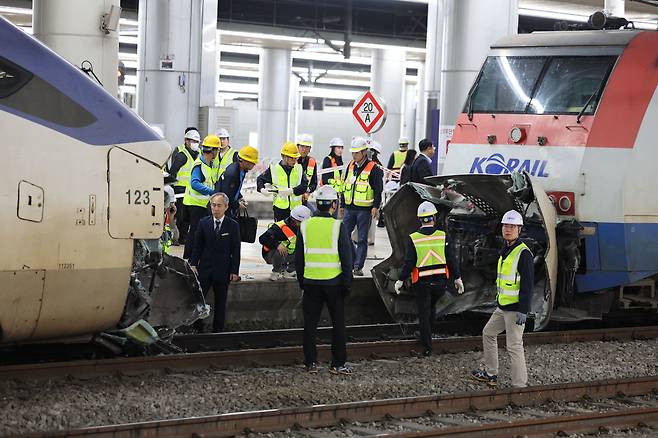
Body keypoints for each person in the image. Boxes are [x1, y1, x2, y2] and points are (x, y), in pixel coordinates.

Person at [295, 185, 354, 374]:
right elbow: (346, 258)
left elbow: (299, 259)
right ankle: (337, 364)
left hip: (311, 282)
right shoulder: (338, 226)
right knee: (338, 325)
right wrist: (347, 283)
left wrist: (302, 281)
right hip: (334, 284)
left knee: (310, 324)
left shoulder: (305, 225)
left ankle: (310, 363)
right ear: (334, 205)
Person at [471, 210, 533, 388]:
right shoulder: (505, 249)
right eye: (506, 225)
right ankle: (491, 374)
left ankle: (519, 385)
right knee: (488, 333)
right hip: (503, 306)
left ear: (519, 229)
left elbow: (527, 284)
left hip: (515, 309)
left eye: (512, 226)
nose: (508, 229)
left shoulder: (524, 253)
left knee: (514, 345)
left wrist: (524, 309)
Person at [395, 201, 463, 356]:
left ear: (420, 219)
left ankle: (427, 346)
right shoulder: (442, 236)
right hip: (440, 284)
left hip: (422, 284)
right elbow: (451, 258)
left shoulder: (414, 238)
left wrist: (400, 279)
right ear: (434, 217)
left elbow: (409, 263)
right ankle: (427, 335)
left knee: (424, 313)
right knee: (431, 308)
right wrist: (457, 277)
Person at [189, 192, 241, 332]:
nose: (215, 208)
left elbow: (236, 250)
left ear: (226, 207)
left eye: (219, 205)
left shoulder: (233, 225)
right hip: (204, 269)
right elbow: (197, 245)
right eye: (213, 205)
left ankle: (218, 330)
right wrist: (193, 263)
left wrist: (234, 271)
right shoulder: (203, 223)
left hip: (223, 270)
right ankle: (197, 328)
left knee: (220, 302)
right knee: (200, 301)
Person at [341, 137, 383, 276]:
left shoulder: (373, 168)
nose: (354, 155)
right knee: (344, 236)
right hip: (349, 208)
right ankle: (351, 261)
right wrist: (342, 204)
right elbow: (344, 186)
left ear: (364, 152)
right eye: (353, 152)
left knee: (362, 239)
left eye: (357, 153)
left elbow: (378, 189)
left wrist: (375, 206)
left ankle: (358, 266)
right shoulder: (350, 166)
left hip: (364, 210)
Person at [182, 135, 220, 259]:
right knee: (194, 233)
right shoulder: (199, 165)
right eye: (217, 150)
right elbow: (195, 183)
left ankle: (194, 258)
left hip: (201, 204)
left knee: (198, 232)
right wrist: (211, 192)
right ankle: (188, 259)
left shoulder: (208, 164)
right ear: (213, 150)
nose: (217, 152)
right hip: (195, 204)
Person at [257, 142, 308, 221]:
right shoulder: (274, 170)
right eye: (292, 158)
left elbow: (304, 186)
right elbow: (260, 179)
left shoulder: (299, 169)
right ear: (284, 157)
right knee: (280, 232)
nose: (294, 160)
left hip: (296, 210)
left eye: (296, 158)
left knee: (295, 233)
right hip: (280, 209)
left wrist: (291, 191)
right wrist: (262, 189)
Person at [165, 128, 200, 244]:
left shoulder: (198, 154)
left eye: (196, 142)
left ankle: (183, 237)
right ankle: (178, 237)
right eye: (191, 141)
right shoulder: (182, 155)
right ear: (186, 141)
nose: (194, 144)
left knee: (187, 217)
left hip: (191, 191)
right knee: (180, 216)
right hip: (180, 191)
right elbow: (173, 173)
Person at [260, 205, 311, 281]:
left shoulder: (302, 227)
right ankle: (276, 272)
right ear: (294, 220)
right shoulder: (279, 227)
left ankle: (289, 271)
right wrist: (277, 245)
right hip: (271, 255)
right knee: (280, 250)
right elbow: (262, 238)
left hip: (288, 254)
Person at [215, 145, 259, 218]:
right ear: (245, 161)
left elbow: (234, 189)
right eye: (252, 162)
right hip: (222, 209)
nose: (254, 165)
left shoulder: (241, 170)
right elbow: (226, 195)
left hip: (227, 207)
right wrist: (238, 205)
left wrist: (240, 197)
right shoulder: (232, 174)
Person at [296, 133, 318, 205]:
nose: (304, 149)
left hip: (304, 200)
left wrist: (308, 190)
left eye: (307, 147)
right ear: (298, 147)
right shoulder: (292, 160)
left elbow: (314, 183)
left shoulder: (312, 162)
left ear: (310, 149)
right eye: (302, 146)